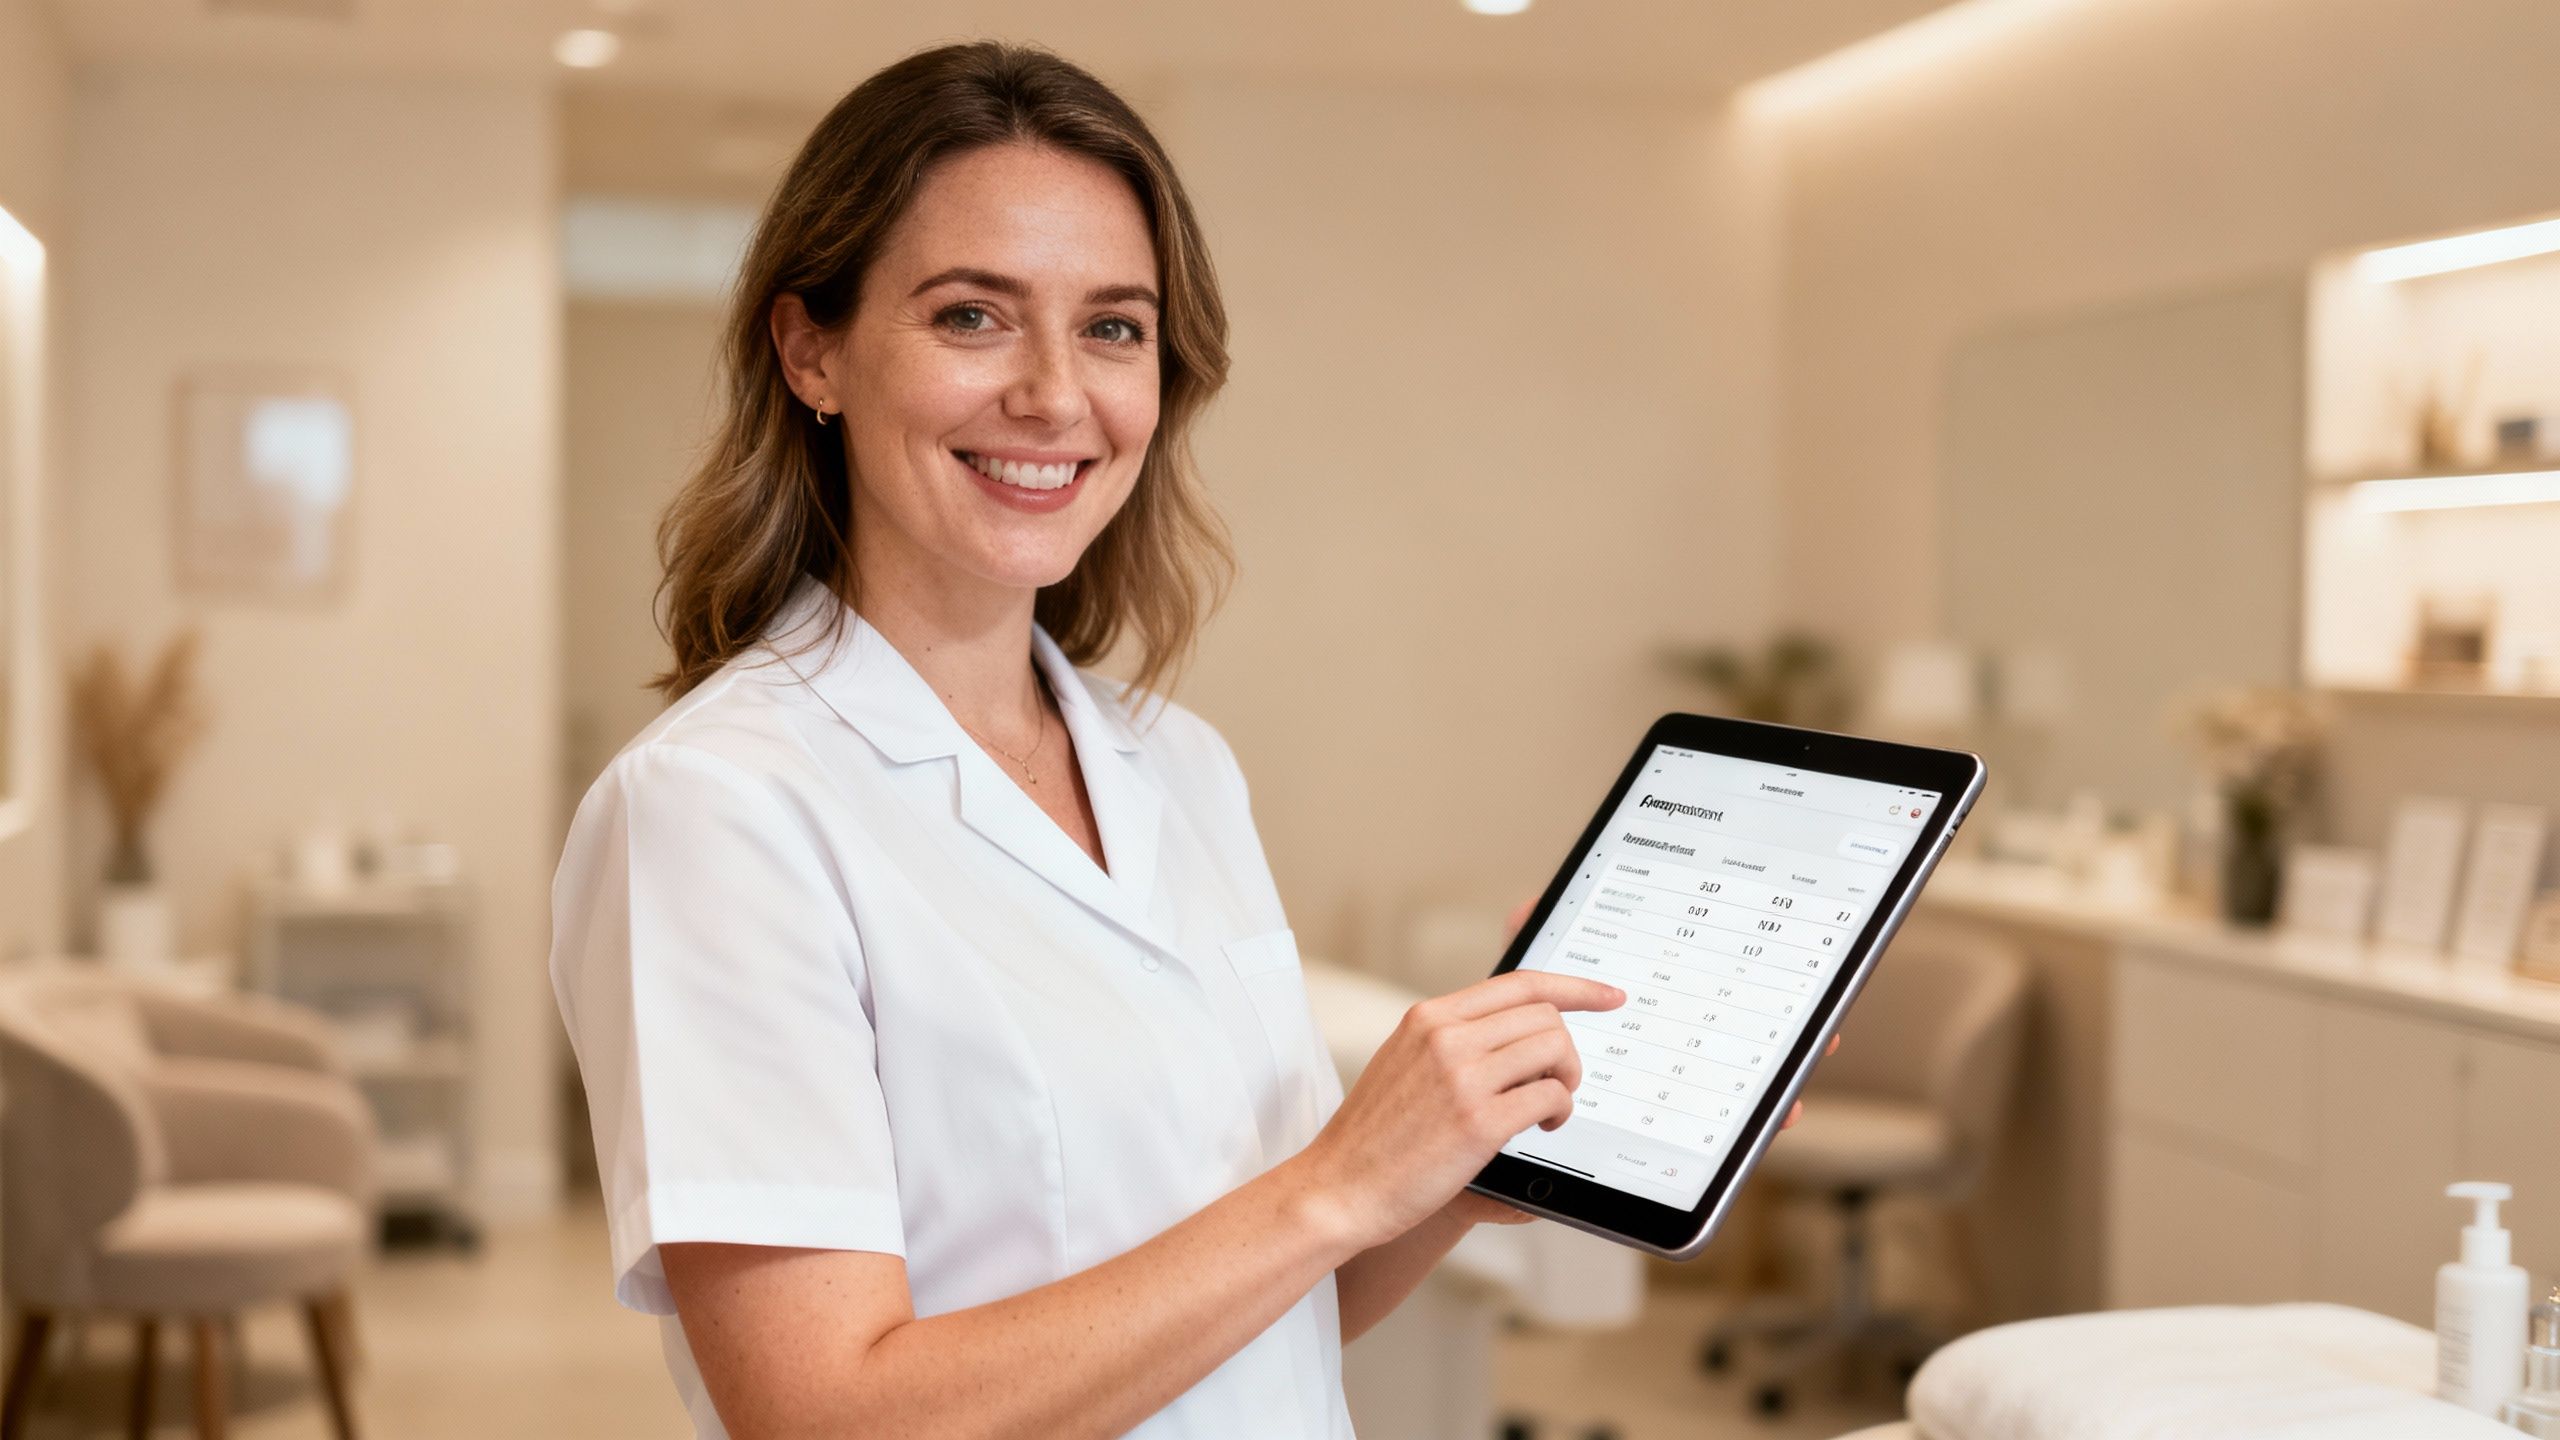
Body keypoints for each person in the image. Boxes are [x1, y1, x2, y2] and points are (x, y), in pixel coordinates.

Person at [548, 40, 1630, 1439]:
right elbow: (821, 1414)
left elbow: (1292, 1295)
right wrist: (1336, 1183)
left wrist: (1473, 1137)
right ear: (811, 347)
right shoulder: (716, 807)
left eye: (1114, 328)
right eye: (972, 317)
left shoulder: (1180, 765)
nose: (1056, 395)